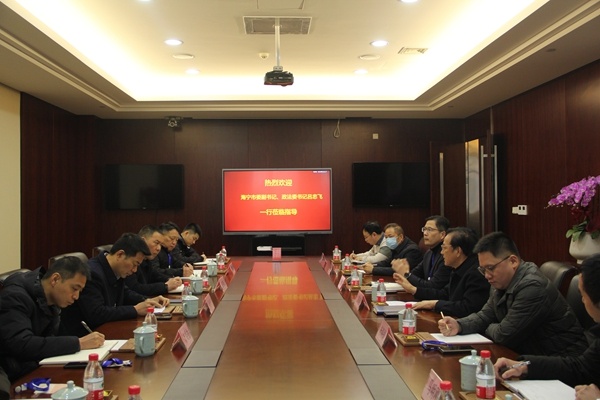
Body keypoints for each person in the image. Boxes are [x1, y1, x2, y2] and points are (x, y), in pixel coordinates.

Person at [438, 231, 586, 356]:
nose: (487, 275)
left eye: (490, 268)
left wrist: (487, 326)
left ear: (513, 261)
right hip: (530, 357)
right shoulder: (501, 282)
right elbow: (485, 315)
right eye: (483, 270)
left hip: (562, 362)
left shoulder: (532, 287)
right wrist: (459, 325)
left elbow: (504, 335)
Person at [493, 253, 600, 399]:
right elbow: (579, 368)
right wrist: (524, 366)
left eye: (583, 295)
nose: (582, 300)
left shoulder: (533, 286)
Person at [0, 257, 105, 380]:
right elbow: (21, 344)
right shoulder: (15, 297)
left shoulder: (53, 300)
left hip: (39, 367)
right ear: (55, 279)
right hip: (16, 375)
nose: (76, 296)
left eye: (80, 291)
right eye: (74, 289)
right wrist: (78, 343)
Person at [60, 233, 170, 337]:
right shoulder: (93, 273)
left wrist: (147, 301)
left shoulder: (115, 269)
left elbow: (125, 293)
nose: (135, 270)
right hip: (84, 337)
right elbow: (97, 313)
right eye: (134, 264)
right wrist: (134, 310)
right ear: (120, 255)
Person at [405, 227, 490, 318]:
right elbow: (444, 293)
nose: (441, 252)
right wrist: (415, 290)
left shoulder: (476, 273)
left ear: (458, 251)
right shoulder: (458, 268)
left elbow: (467, 308)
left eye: (444, 248)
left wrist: (435, 304)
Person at [393, 215, 452, 290]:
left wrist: (406, 275)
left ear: (442, 234)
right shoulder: (429, 253)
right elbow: (415, 274)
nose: (425, 233)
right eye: (424, 229)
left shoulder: (446, 256)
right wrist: (403, 272)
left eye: (430, 230)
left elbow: (432, 286)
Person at [125, 225, 182, 296]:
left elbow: (155, 275)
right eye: (156, 243)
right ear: (143, 241)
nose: (158, 248)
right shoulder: (130, 258)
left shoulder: (147, 259)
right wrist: (165, 286)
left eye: (160, 245)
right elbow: (135, 288)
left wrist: (170, 280)